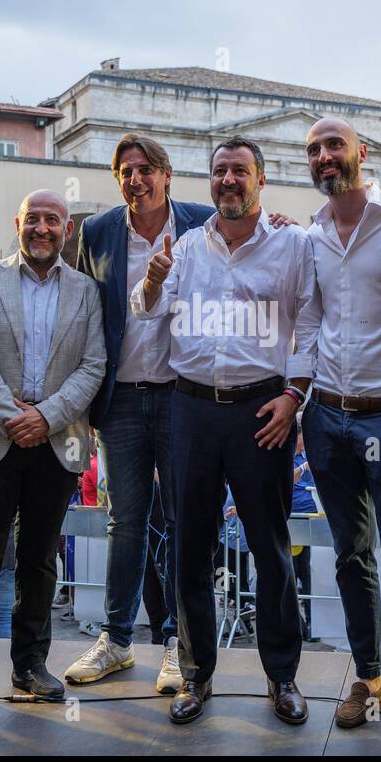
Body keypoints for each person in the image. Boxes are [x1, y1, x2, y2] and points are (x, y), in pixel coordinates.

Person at [132, 135, 317, 726]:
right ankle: (196, 674)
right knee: (190, 548)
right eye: (219, 171)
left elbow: (310, 323)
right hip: (190, 409)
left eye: (239, 171)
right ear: (209, 181)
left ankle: (282, 677)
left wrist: (295, 394)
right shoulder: (185, 245)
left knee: (271, 548)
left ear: (260, 180)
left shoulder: (292, 244)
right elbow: (145, 309)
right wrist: (156, 279)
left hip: (264, 410)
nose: (228, 180)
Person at [0, 190, 105, 726]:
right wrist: (13, 416)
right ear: (17, 223)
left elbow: (93, 364)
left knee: (39, 558)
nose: (42, 228)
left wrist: (48, 417)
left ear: (66, 229)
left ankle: (30, 665)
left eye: (52, 220)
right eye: (33, 219)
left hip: (58, 443)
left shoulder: (86, 290)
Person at [68, 134, 212, 694]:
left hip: (183, 393)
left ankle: (179, 644)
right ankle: (117, 642)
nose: (135, 179)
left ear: (167, 175)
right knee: (123, 522)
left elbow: (252, 246)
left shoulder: (201, 223)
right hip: (122, 397)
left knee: (182, 520)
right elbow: (85, 312)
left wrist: (272, 220)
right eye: (125, 171)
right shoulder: (98, 231)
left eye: (145, 168)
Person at [298, 118, 381, 740]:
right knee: (350, 554)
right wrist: (299, 397)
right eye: (314, 150)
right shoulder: (311, 234)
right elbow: (308, 321)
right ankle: (370, 680)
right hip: (326, 415)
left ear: (360, 154)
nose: (323, 157)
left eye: (333, 146)